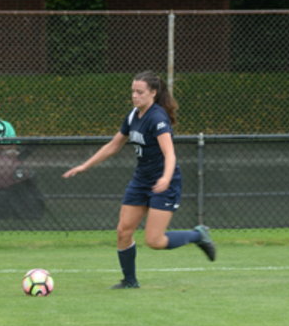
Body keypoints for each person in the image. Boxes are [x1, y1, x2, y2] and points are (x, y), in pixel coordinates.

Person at [62, 70, 216, 289]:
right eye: (133, 91)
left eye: (140, 92)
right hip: (141, 180)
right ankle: (129, 281)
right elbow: (114, 145)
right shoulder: (133, 115)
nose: (135, 96)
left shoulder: (157, 118)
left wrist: (166, 177)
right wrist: (85, 165)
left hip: (164, 182)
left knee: (154, 241)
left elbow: (170, 154)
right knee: (123, 231)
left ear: (153, 93)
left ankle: (197, 235)